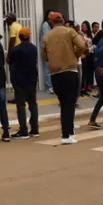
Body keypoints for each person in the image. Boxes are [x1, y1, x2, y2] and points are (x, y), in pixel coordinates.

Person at [42, 13, 86, 144]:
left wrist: (52, 59)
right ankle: (67, 135)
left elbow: (44, 55)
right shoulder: (70, 31)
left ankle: (67, 133)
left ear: (51, 23)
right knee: (70, 103)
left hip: (55, 73)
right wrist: (75, 55)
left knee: (63, 103)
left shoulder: (47, 36)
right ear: (63, 21)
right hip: (70, 70)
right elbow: (81, 45)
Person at [7, 27, 39, 139]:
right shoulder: (34, 48)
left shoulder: (16, 50)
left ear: (19, 37)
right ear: (29, 36)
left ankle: (23, 130)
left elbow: (10, 61)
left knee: (21, 106)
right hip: (32, 79)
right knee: (33, 104)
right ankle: (35, 129)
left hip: (19, 80)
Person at [40, 10, 55, 94]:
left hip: (51, 49)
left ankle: (51, 85)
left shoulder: (50, 25)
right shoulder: (45, 25)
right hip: (47, 49)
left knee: (51, 68)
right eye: (51, 14)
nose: (53, 16)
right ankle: (48, 86)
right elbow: (47, 37)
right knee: (47, 68)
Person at [79, 20, 94, 96]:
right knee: (83, 72)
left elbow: (92, 44)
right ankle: (81, 88)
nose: (83, 27)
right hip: (84, 54)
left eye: (84, 26)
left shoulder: (91, 34)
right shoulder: (80, 34)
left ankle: (87, 86)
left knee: (89, 71)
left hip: (90, 54)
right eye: (82, 26)